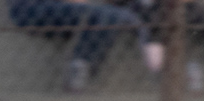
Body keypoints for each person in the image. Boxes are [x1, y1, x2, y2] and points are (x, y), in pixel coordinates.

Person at [9, 0, 143, 92]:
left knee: (113, 15)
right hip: (32, 9)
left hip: (50, 10)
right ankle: (79, 68)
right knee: (109, 15)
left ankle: (80, 68)